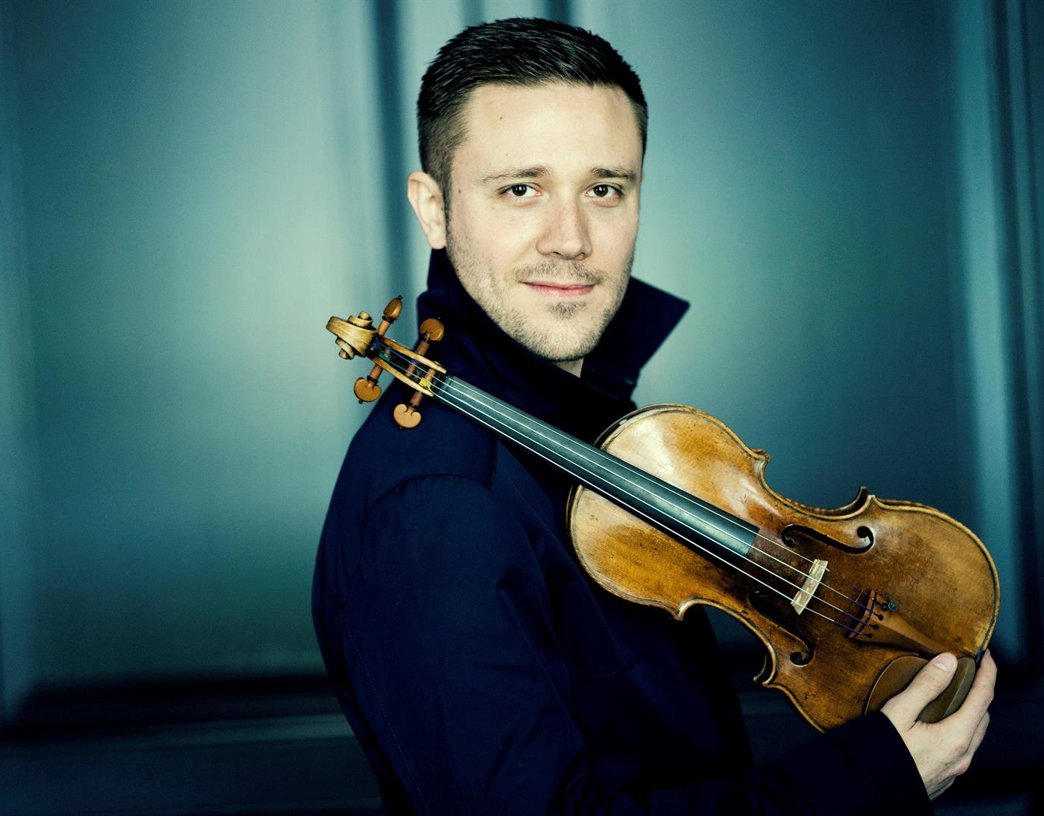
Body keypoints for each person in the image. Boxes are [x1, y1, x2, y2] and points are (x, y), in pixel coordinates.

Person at [313, 17, 995, 815]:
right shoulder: (440, 507)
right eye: (520, 190)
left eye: (604, 189)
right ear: (434, 209)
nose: (571, 239)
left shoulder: (584, 422)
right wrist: (871, 780)